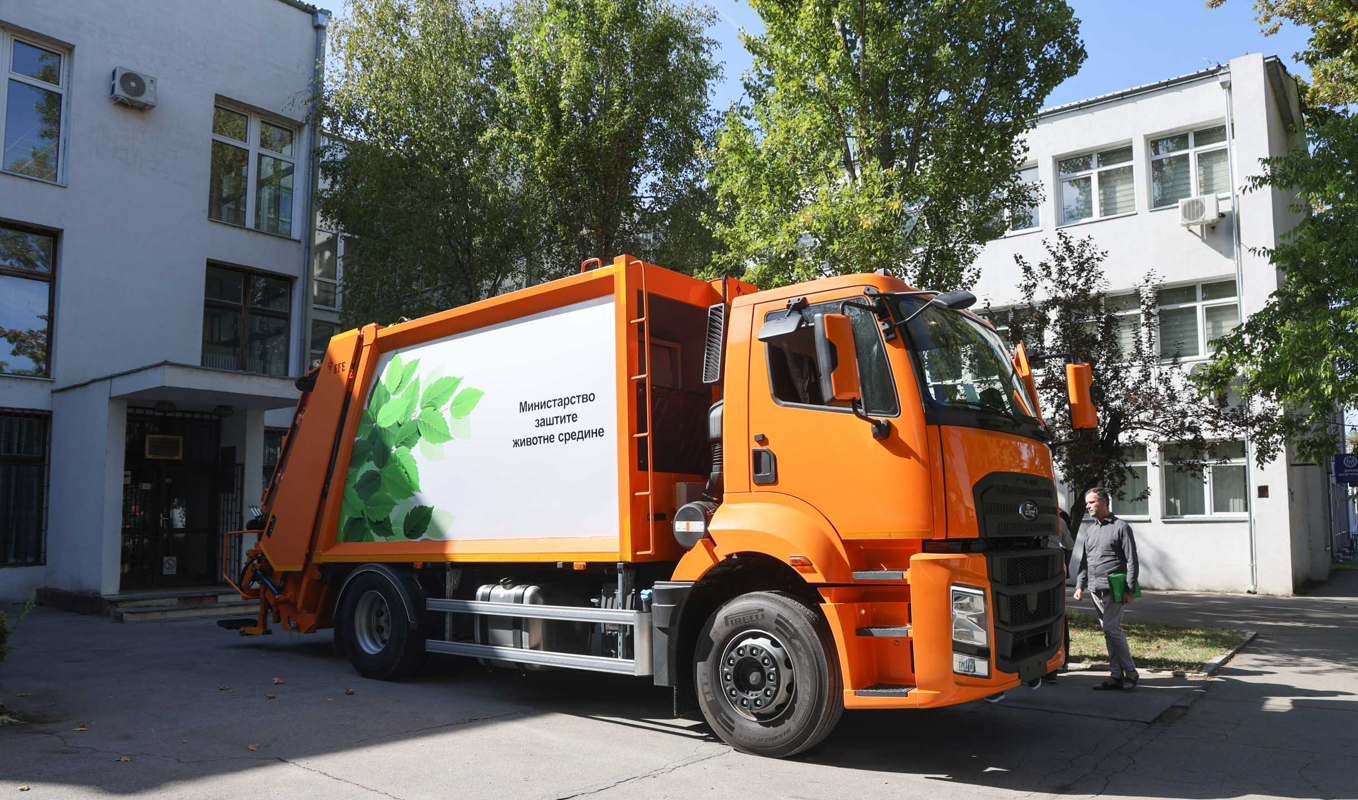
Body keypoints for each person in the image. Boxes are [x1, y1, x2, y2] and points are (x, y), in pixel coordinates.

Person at [1074, 486, 1140, 691]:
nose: (1087, 506)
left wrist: (1129, 589)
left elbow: (1132, 560)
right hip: (1095, 588)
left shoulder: (1121, 527)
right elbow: (1085, 561)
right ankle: (1115, 676)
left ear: (1104, 502)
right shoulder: (1091, 530)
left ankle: (1131, 672)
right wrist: (1080, 586)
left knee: (1111, 629)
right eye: (1086, 503)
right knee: (1109, 632)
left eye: (1091, 502)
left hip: (1115, 589)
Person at [1043, 508, 1076, 684]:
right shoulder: (1060, 521)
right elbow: (1069, 545)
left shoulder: (1030, 520)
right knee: (1058, 617)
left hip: (1034, 572)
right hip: (1055, 571)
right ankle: (1057, 665)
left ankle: (1041, 669)